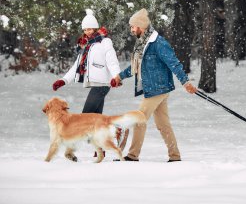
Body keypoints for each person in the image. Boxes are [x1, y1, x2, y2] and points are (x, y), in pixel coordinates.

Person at [111, 8, 197, 162]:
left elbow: (174, 63)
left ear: (141, 26)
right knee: (163, 124)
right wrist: (120, 77)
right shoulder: (142, 44)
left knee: (139, 119)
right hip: (154, 89)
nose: (131, 30)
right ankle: (175, 156)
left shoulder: (158, 43)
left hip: (158, 88)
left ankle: (132, 155)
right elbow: (135, 66)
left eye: (133, 27)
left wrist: (185, 82)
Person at [52, 9, 122, 158]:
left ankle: (71, 151)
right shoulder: (85, 45)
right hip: (94, 84)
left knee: (83, 119)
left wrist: (116, 76)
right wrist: (63, 80)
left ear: (95, 28)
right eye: (84, 29)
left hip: (103, 84)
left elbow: (112, 60)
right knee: (95, 120)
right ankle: (103, 145)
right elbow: (76, 66)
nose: (87, 32)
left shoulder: (104, 42)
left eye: (89, 29)